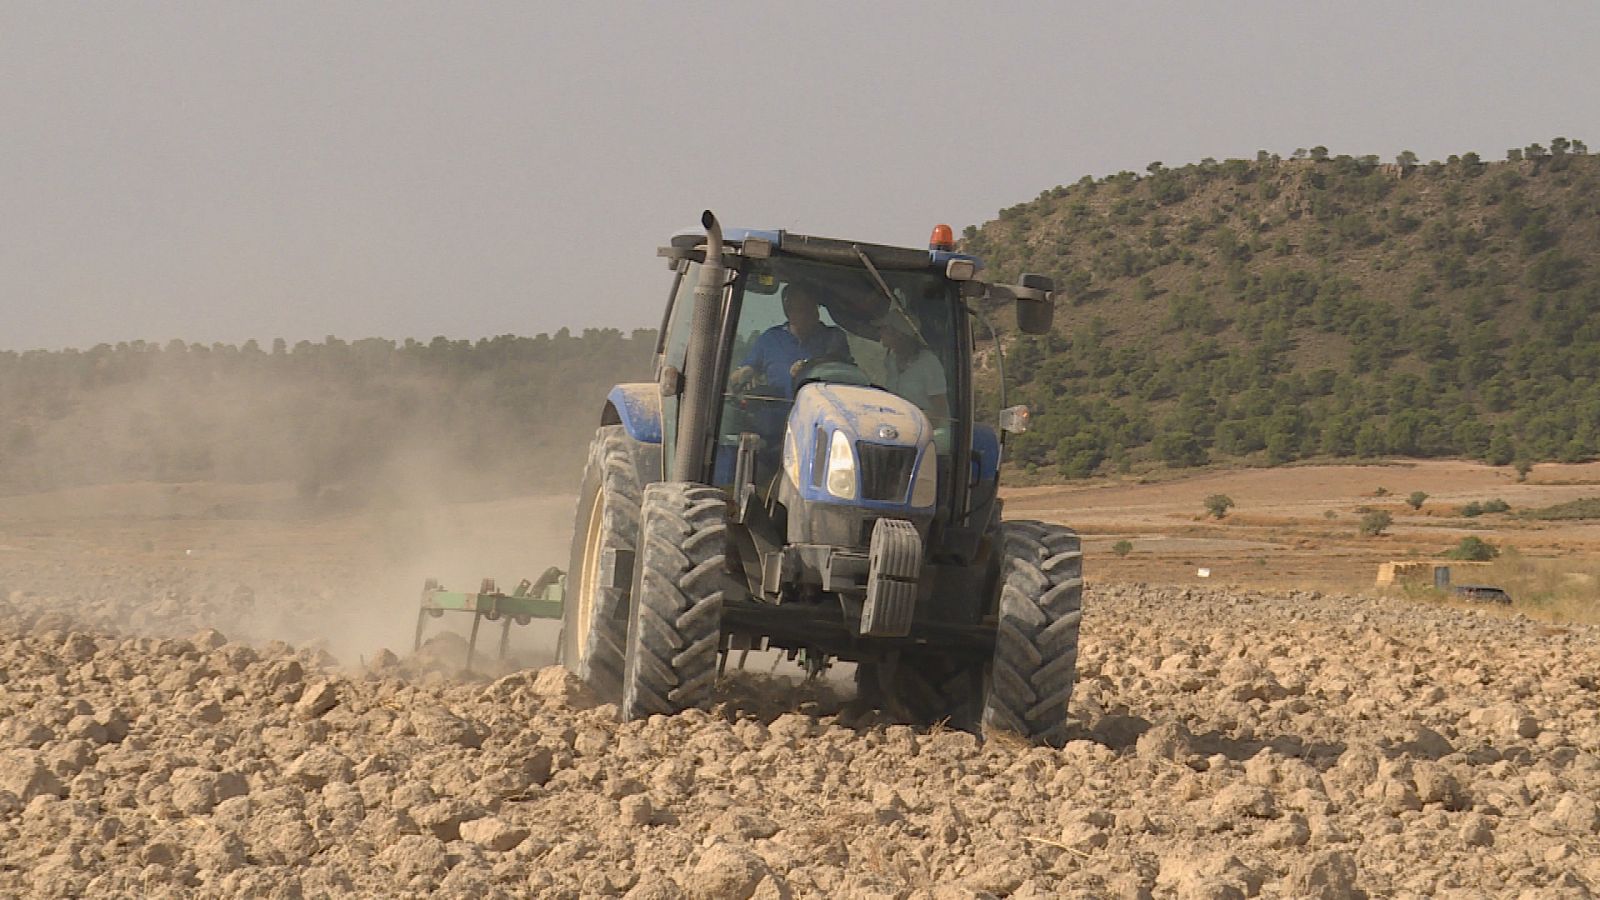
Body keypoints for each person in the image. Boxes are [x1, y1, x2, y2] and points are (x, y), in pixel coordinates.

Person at [729, 284, 853, 397]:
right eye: (802, 308)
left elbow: (845, 372)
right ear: (788, 311)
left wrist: (808, 368)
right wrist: (746, 373)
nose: (810, 314)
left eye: (812, 307)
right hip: (773, 417)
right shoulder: (771, 339)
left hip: (818, 415)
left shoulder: (833, 337)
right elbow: (738, 377)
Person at [879, 313, 949, 422]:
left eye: (883, 329)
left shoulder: (928, 362)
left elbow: (940, 410)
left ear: (898, 334)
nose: (880, 333)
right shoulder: (890, 361)